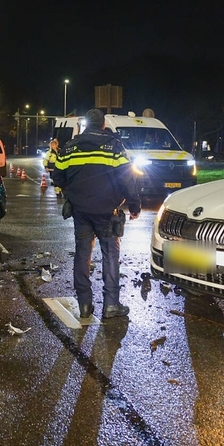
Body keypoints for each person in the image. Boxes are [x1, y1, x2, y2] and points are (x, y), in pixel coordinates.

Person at [51, 109, 141, 320]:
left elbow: (58, 176)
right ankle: (111, 304)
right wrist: (134, 205)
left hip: (81, 211)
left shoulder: (70, 147)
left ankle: (84, 304)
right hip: (107, 212)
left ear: (85, 125)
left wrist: (74, 192)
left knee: (82, 255)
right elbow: (127, 178)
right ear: (103, 125)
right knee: (110, 256)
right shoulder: (114, 146)